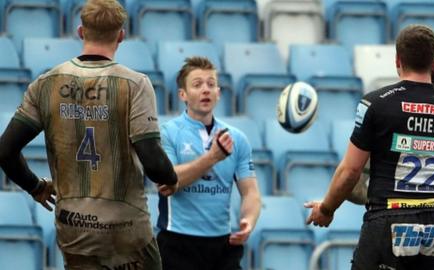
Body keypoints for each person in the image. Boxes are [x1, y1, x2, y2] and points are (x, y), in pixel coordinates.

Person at [0, 0, 178, 269]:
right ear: (121, 35)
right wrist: (171, 178)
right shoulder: (135, 84)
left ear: (81, 32)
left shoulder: (46, 83)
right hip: (126, 231)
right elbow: (153, 160)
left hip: (74, 230)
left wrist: (35, 186)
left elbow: (5, 151)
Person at [305, 25, 434, 270]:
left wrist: (327, 208)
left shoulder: (375, 104)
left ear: (397, 59)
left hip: (389, 218)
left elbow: (350, 172)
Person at [156, 56, 261, 270]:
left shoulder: (237, 138)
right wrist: (212, 157)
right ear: (182, 94)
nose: (206, 89)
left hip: (223, 245)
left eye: (211, 84)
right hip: (178, 243)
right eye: (197, 84)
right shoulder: (168, 133)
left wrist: (248, 222)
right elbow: (168, 182)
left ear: (219, 93)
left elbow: (250, 192)